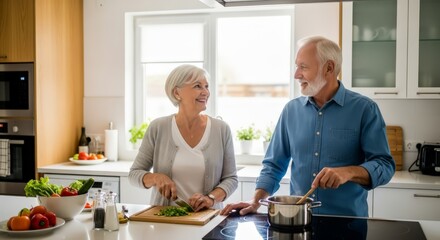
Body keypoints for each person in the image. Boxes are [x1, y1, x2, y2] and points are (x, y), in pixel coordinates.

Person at [221, 36, 395, 217]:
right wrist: (256, 201)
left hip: (347, 223)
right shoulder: (291, 110)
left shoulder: (364, 109)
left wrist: (348, 172)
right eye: (297, 67)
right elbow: (273, 165)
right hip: (299, 221)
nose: (296, 74)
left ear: (329, 68)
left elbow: (385, 165)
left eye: (303, 67)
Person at [129, 64, 238, 212]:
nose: (206, 92)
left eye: (207, 86)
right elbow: (135, 174)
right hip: (166, 220)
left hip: (208, 220)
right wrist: (156, 178)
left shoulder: (221, 129)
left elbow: (231, 179)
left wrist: (210, 198)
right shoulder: (158, 127)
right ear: (176, 93)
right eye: (198, 86)